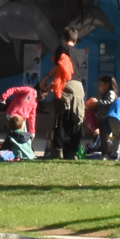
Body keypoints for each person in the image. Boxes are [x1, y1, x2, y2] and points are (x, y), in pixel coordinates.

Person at [40, 28, 79, 159]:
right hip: (78, 88)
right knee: (74, 119)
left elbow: (59, 66)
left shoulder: (62, 48)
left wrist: (46, 78)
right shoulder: (77, 53)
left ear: (64, 38)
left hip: (66, 85)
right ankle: (73, 152)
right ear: (75, 40)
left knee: (60, 118)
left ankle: (58, 150)